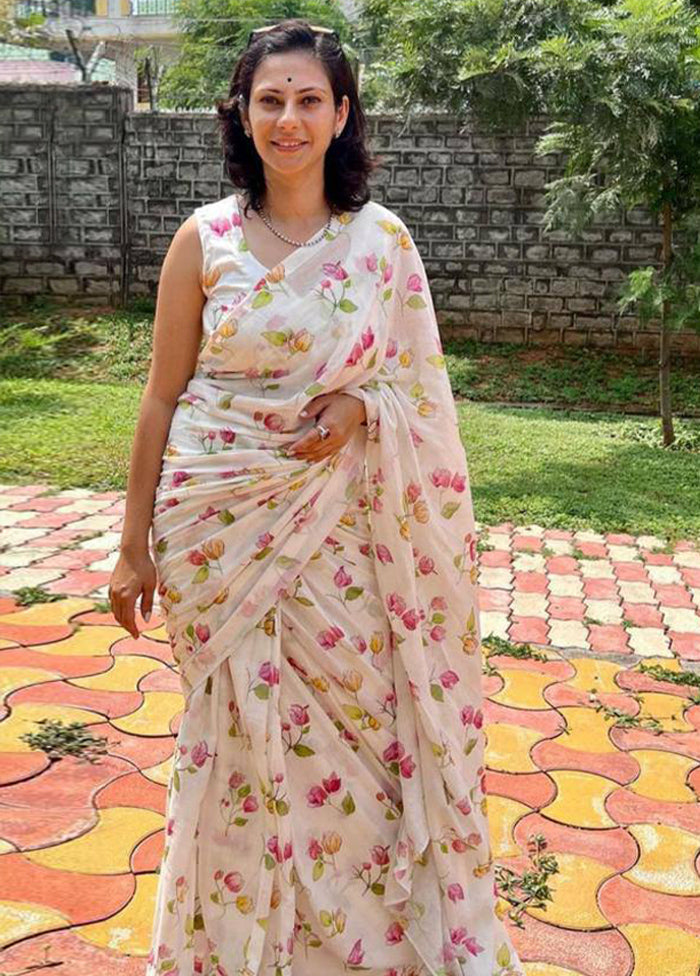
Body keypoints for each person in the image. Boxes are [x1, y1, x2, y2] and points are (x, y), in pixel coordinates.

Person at [109, 18, 525, 976]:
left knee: (368, 751)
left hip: (349, 539)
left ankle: (364, 952)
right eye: (269, 100)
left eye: (308, 100)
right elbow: (163, 394)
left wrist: (360, 403)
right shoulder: (203, 240)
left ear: (342, 115)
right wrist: (133, 544)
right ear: (242, 115)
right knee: (241, 761)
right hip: (219, 530)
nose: (288, 119)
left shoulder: (381, 243)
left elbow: (417, 389)